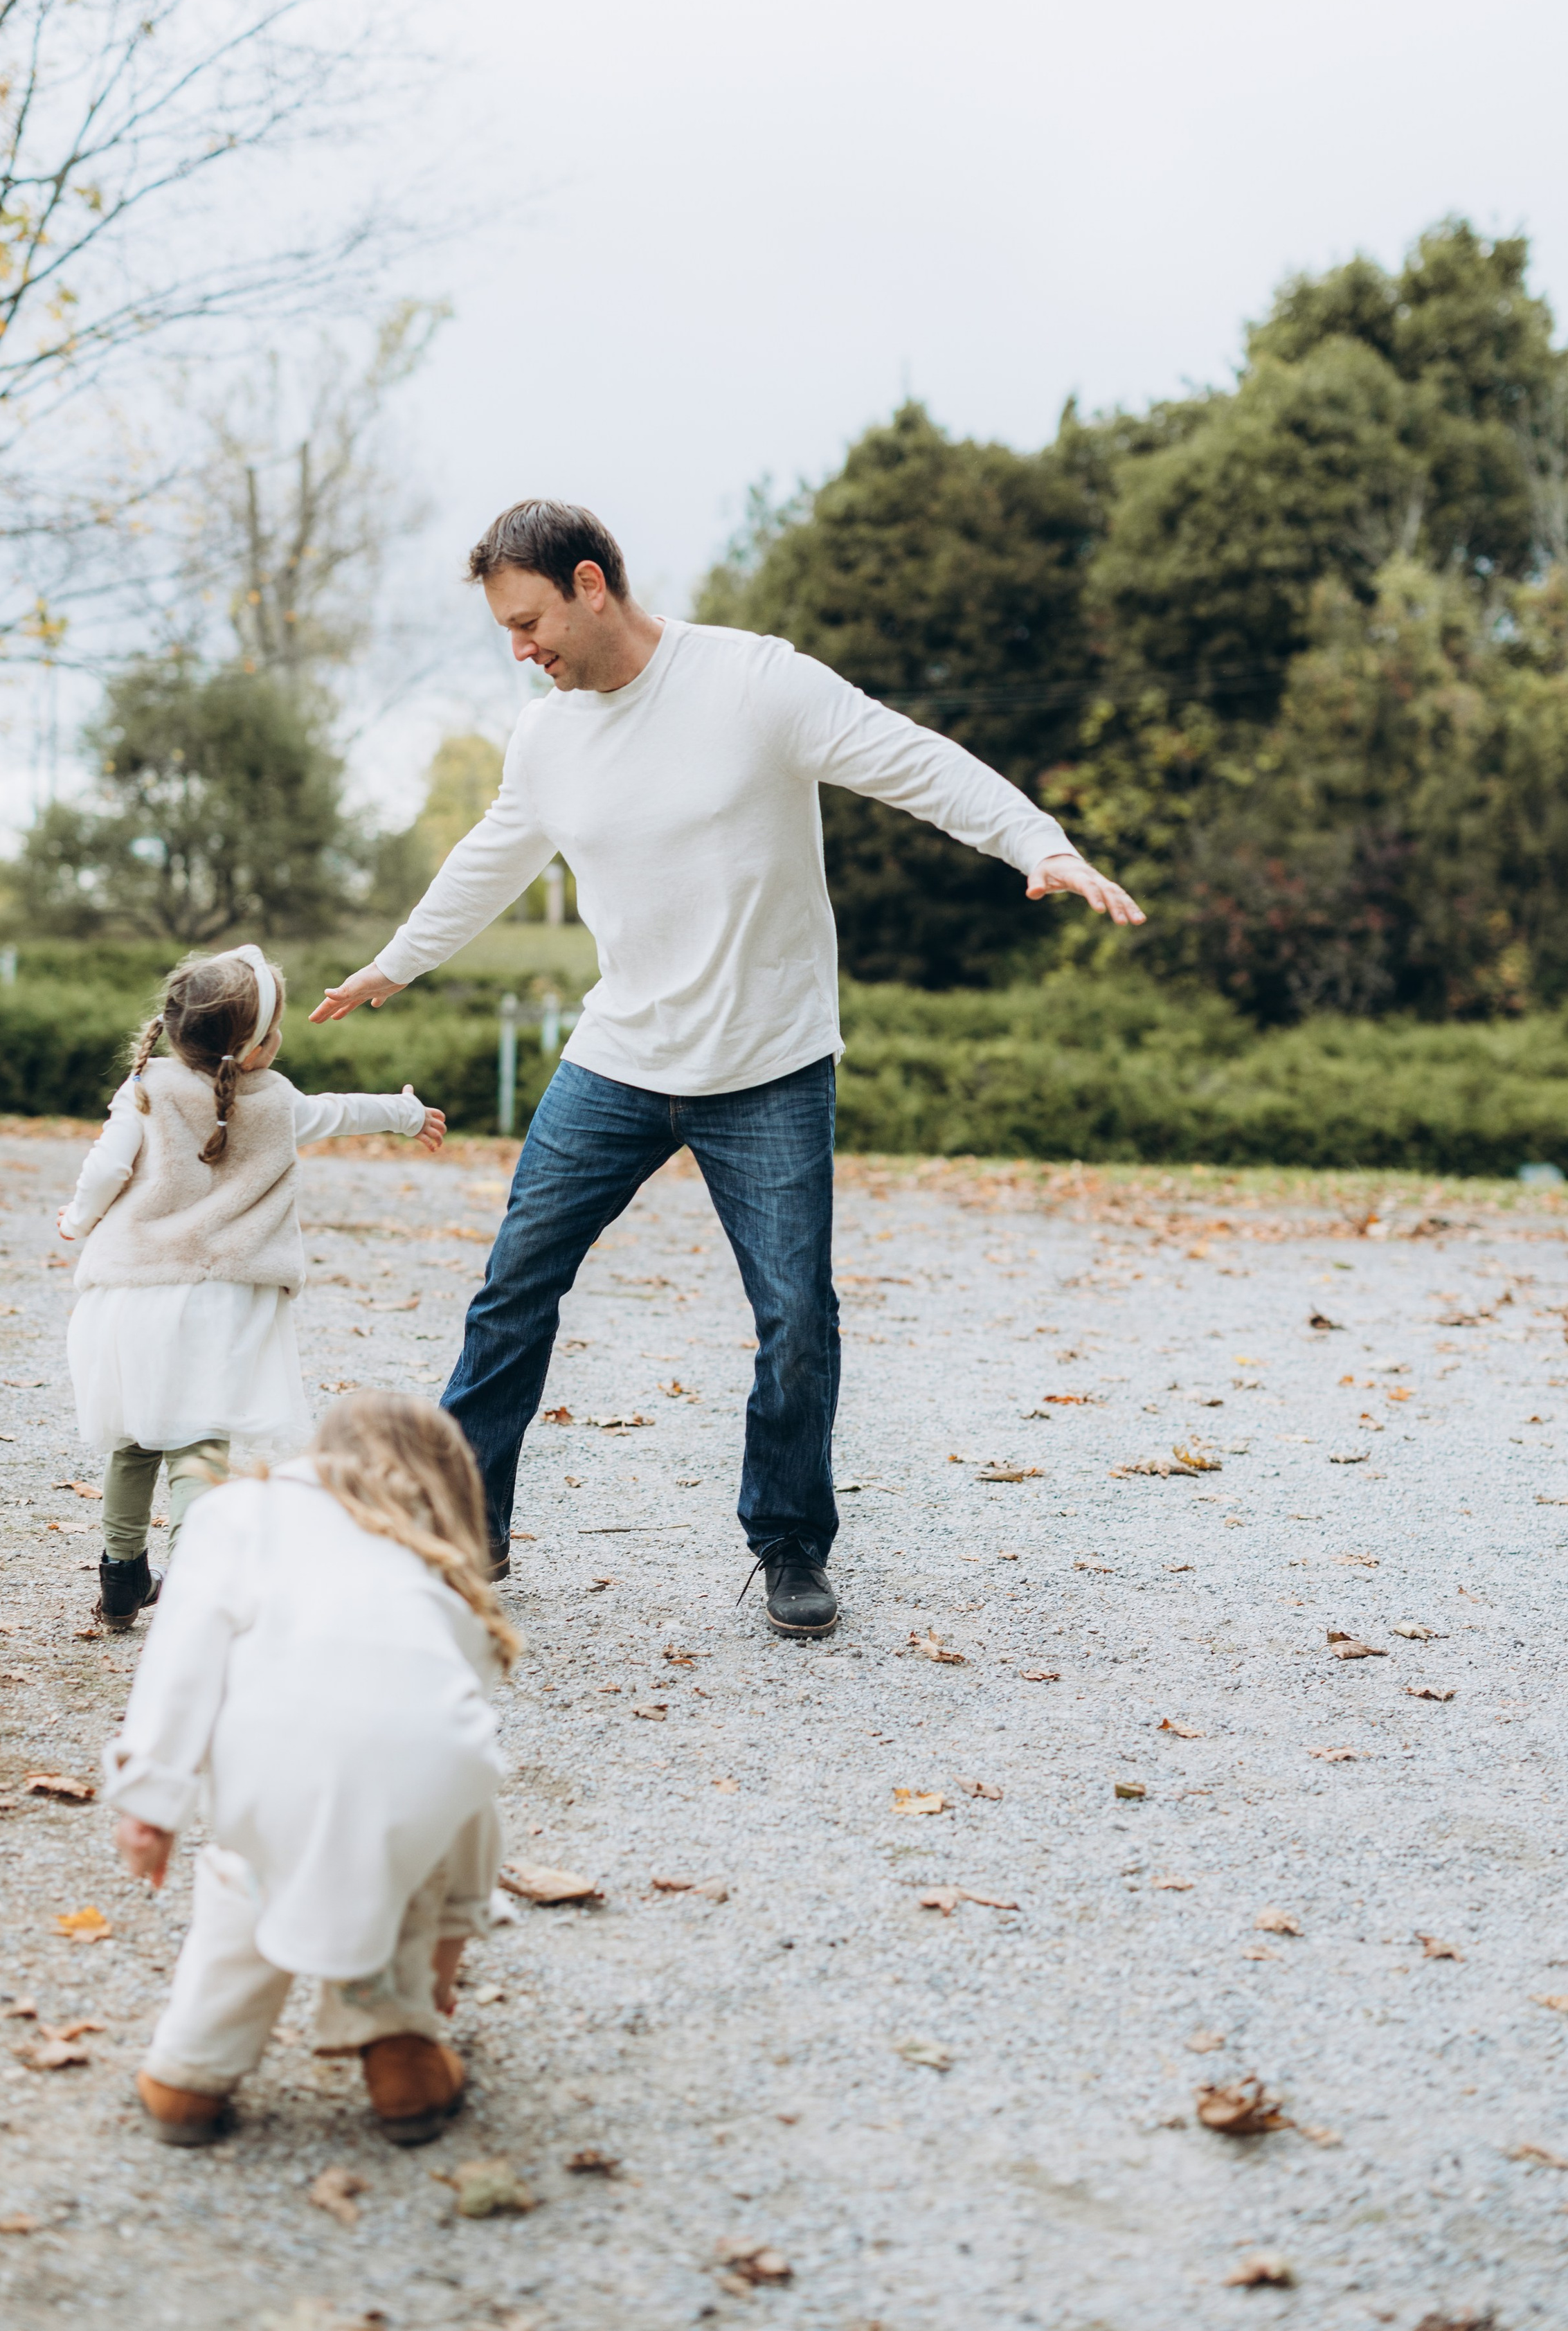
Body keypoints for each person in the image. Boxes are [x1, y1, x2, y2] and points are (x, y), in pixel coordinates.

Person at [311, 501, 1144, 1639]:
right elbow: (493, 852)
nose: (521, 650)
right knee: (514, 1288)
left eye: (529, 622)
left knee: (797, 1311)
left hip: (769, 1064)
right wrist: (393, 967)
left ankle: (792, 1544)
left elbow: (917, 761)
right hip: (618, 1058)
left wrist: (1038, 843)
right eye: (506, 631)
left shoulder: (755, 686)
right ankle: (466, 1526)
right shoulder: (546, 735)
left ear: (591, 583)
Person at [105, 1392, 514, 2148]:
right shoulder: (439, 1563)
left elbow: (183, 1661)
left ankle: (187, 2078)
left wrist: (152, 1800)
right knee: (395, 1864)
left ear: (320, 1457)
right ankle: (403, 2062)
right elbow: (456, 1716)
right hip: (428, 1774)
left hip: (272, 1763)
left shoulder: (242, 1514)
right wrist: (450, 1948)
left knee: (248, 1879)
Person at [58, 944, 447, 1630]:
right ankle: (190, 1583)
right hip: (225, 1302)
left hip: (136, 1293)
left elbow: (105, 1167)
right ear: (256, 1049)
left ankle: (120, 1577)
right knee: (199, 1444)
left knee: (133, 1439)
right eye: (276, 1030)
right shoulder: (277, 1101)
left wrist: (77, 1217)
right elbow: (344, 1112)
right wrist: (407, 1113)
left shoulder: (145, 1087)